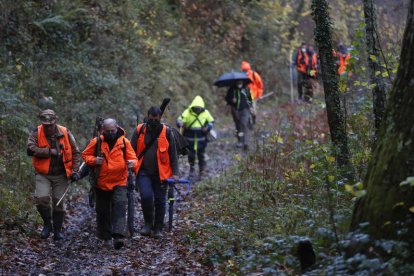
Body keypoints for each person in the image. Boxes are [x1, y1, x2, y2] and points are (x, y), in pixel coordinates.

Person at [82, 118, 138, 249]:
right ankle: (105, 237)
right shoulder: (96, 142)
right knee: (102, 211)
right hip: (101, 183)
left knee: (119, 206)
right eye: (107, 131)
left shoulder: (124, 142)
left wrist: (132, 163)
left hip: (120, 181)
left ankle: (118, 236)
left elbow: (133, 158)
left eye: (112, 130)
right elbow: (85, 156)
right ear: (103, 130)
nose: (110, 133)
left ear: (117, 127)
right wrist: (95, 160)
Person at [27, 109, 82, 240]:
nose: (48, 127)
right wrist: (48, 152)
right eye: (45, 125)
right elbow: (30, 149)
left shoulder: (65, 132)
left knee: (58, 205)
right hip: (43, 174)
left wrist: (75, 170)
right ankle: (47, 224)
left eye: (50, 125)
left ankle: (57, 231)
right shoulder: (36, 132)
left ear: (55, 121)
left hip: (61, 175)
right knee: (41, 200)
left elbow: (76, 152)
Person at [130, 106, 179, 238]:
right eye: (151, 119)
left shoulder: (167, 132)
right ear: (148, 117)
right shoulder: (140, 130)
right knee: (146, 196)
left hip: (161, 173)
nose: (153, 122)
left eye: (156, 119)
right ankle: (147, 224)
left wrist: (175, 173)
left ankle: (158, 228)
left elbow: (173, 153)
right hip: (143, 171)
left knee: (160, 200)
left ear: (160, 118)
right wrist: (129, 165)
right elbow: (130, 150)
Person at [176, 95, 214, 178]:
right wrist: (180, 123)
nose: (198, 109)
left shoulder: (206, 112)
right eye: (196, 107)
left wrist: (208, 127)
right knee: (191, 155)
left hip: (202, 139)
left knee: (201, 155)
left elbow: (211, 121)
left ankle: (202, 171)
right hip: (190, 138)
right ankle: (192, 169)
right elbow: (180, 119)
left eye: (199, 107)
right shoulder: (187, 112)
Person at [225, 79, 253, 150]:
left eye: (240, 82)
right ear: (235, 82)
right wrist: (231, 100)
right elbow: (227, 99)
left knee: (244, 124)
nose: (239, 83)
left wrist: (250, 106)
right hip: (235, 110)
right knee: (238, 126)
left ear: (243, 82)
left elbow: (250, 99)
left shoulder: (246, 89)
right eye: (238, 82)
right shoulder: (232, 90)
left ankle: (245, 141)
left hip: (245, 109)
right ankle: (240, 141)